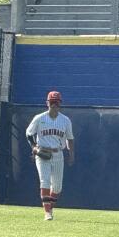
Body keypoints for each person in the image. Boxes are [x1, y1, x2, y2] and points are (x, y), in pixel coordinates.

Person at [25, 90, 75, 221]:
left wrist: (71, 153)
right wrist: (34, 147)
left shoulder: (65, 120)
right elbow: (29, 133)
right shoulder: (39, 118)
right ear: (47, 103)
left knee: (57, 187)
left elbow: (70, 138)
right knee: (45, 181)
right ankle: (47, 212)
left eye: (56, 102)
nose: (54, 105)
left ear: (60, 104)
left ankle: (50, 206)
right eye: (52, 102)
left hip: (58, 153)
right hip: (42, 153)